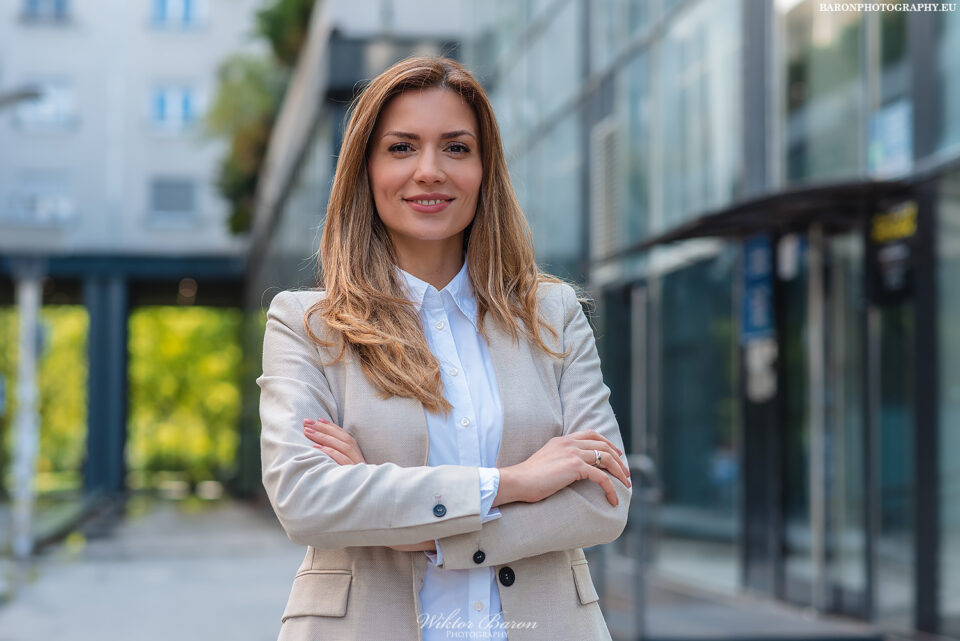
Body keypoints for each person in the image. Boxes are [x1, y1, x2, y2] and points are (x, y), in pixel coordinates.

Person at [258, 56, 632, 641]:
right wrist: (513, 484)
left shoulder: (551, 315)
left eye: (456, 148)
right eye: (402, 147)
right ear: (366, 169)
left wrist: (394, 513)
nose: (429, 170)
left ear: (485, 169)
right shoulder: (307, 325)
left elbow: (602, 500)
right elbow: (306, 500)